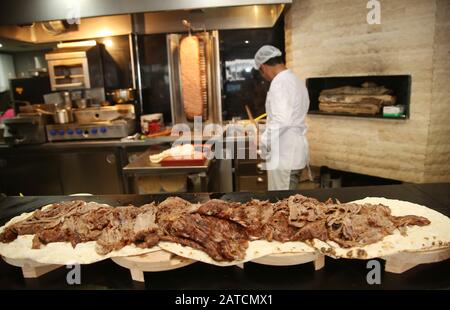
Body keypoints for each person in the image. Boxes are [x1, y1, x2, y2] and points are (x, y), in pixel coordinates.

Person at [254, 45, 310, 190]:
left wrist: (263, 140)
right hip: (294, 151)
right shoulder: (295, 80)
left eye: (261, 72)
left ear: (263, 67)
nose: (263, 77)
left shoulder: (280, 82)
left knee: (282, 205)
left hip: (285, 156)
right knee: (286, 203)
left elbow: (282, 120)